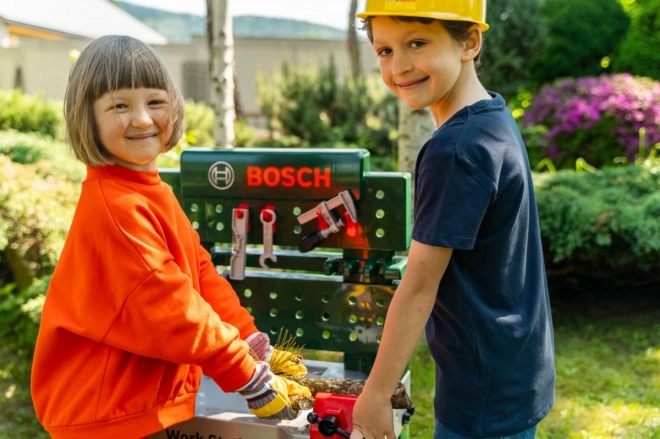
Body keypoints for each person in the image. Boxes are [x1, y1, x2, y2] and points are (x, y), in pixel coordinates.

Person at [30, 34, 310, 439]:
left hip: (130, 407)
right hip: (105, 413)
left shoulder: (148, 190)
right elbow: (171, 306)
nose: (143, 119)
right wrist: (246, 374)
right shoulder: (116, 207)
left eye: (155, 101)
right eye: (120, 106)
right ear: (87, 118)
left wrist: (250, 340)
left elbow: (199, 274)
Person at [350, 1, 555, 438]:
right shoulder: (493, 117)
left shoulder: (455, 150)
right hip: (514, 371)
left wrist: (376, 393)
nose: (399, 66)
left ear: (470, 42)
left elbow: (419, 285)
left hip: (483, 392)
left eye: (417, 43)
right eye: (385, 50)